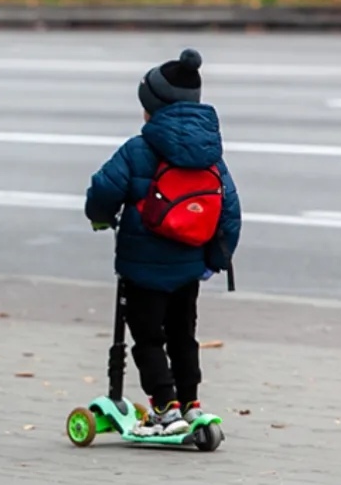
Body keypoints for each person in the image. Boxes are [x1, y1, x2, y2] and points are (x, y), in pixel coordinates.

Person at [83, 48, 242, 436]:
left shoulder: (139, 149)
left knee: (148, 339)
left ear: (151, 106)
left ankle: (164, 408)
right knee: (183, 335)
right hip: (189, 268)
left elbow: (103, 190)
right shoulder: (210, 155)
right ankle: (190, 404)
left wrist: (100, 217)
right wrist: (216, 260)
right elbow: (230, 210)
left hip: (142, 269)